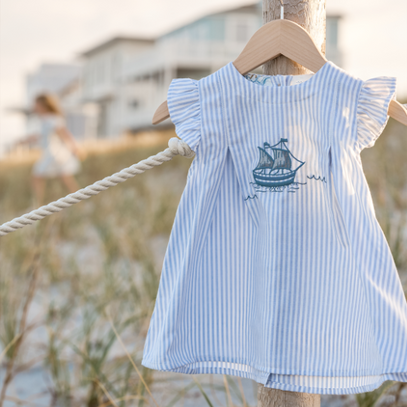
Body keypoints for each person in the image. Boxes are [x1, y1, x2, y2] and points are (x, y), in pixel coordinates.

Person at [17, 94, 83, 205]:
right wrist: (24, 141)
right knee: (65, 178)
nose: (34, 107)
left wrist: (74, 147)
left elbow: (64, 134)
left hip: (54, 154)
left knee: (38, 176)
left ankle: (37, 204)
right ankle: (80, 203)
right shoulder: (45, 119)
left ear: (43, 105)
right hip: (50, 153)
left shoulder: (52, 119)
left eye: (36, 104)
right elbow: (40, 136)